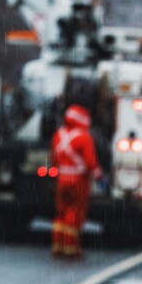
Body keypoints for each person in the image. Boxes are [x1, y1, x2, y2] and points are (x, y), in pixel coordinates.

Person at [50, 104, 101, 259]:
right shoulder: (84, 138)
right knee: (74, 212)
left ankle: (58, 245)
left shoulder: (59, 135)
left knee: (61, 211)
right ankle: (70, 248)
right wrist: (98, 175)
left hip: (61, 179)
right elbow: (90, 162)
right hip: (78, 180)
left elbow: (54, 159)